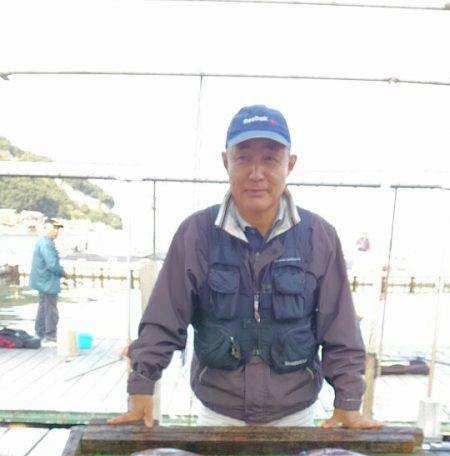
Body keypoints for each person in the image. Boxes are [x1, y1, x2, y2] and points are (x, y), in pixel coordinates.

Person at [109, 105, 380, 430]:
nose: (256, 173)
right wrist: (141, 385)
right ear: (226, 162)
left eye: (270, 159)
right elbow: (163, 319)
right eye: (243, 158)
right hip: (217, 416)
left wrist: (348, 401)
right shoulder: (195, 233)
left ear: (290, 164)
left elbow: (340, 328)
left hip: (296, 417)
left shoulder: (319, 236)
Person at [29, 218, 68, 343]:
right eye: (54, 228)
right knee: (51, 308)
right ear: (46, 228)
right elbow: (52, 264)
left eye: (58, 229)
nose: (56, 232)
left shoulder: (43, 241)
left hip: (41, 280)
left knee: (43, 307)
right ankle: (50, 334)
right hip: (47, 281)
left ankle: (40, 333)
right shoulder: (46, 243)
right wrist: (63, 273)